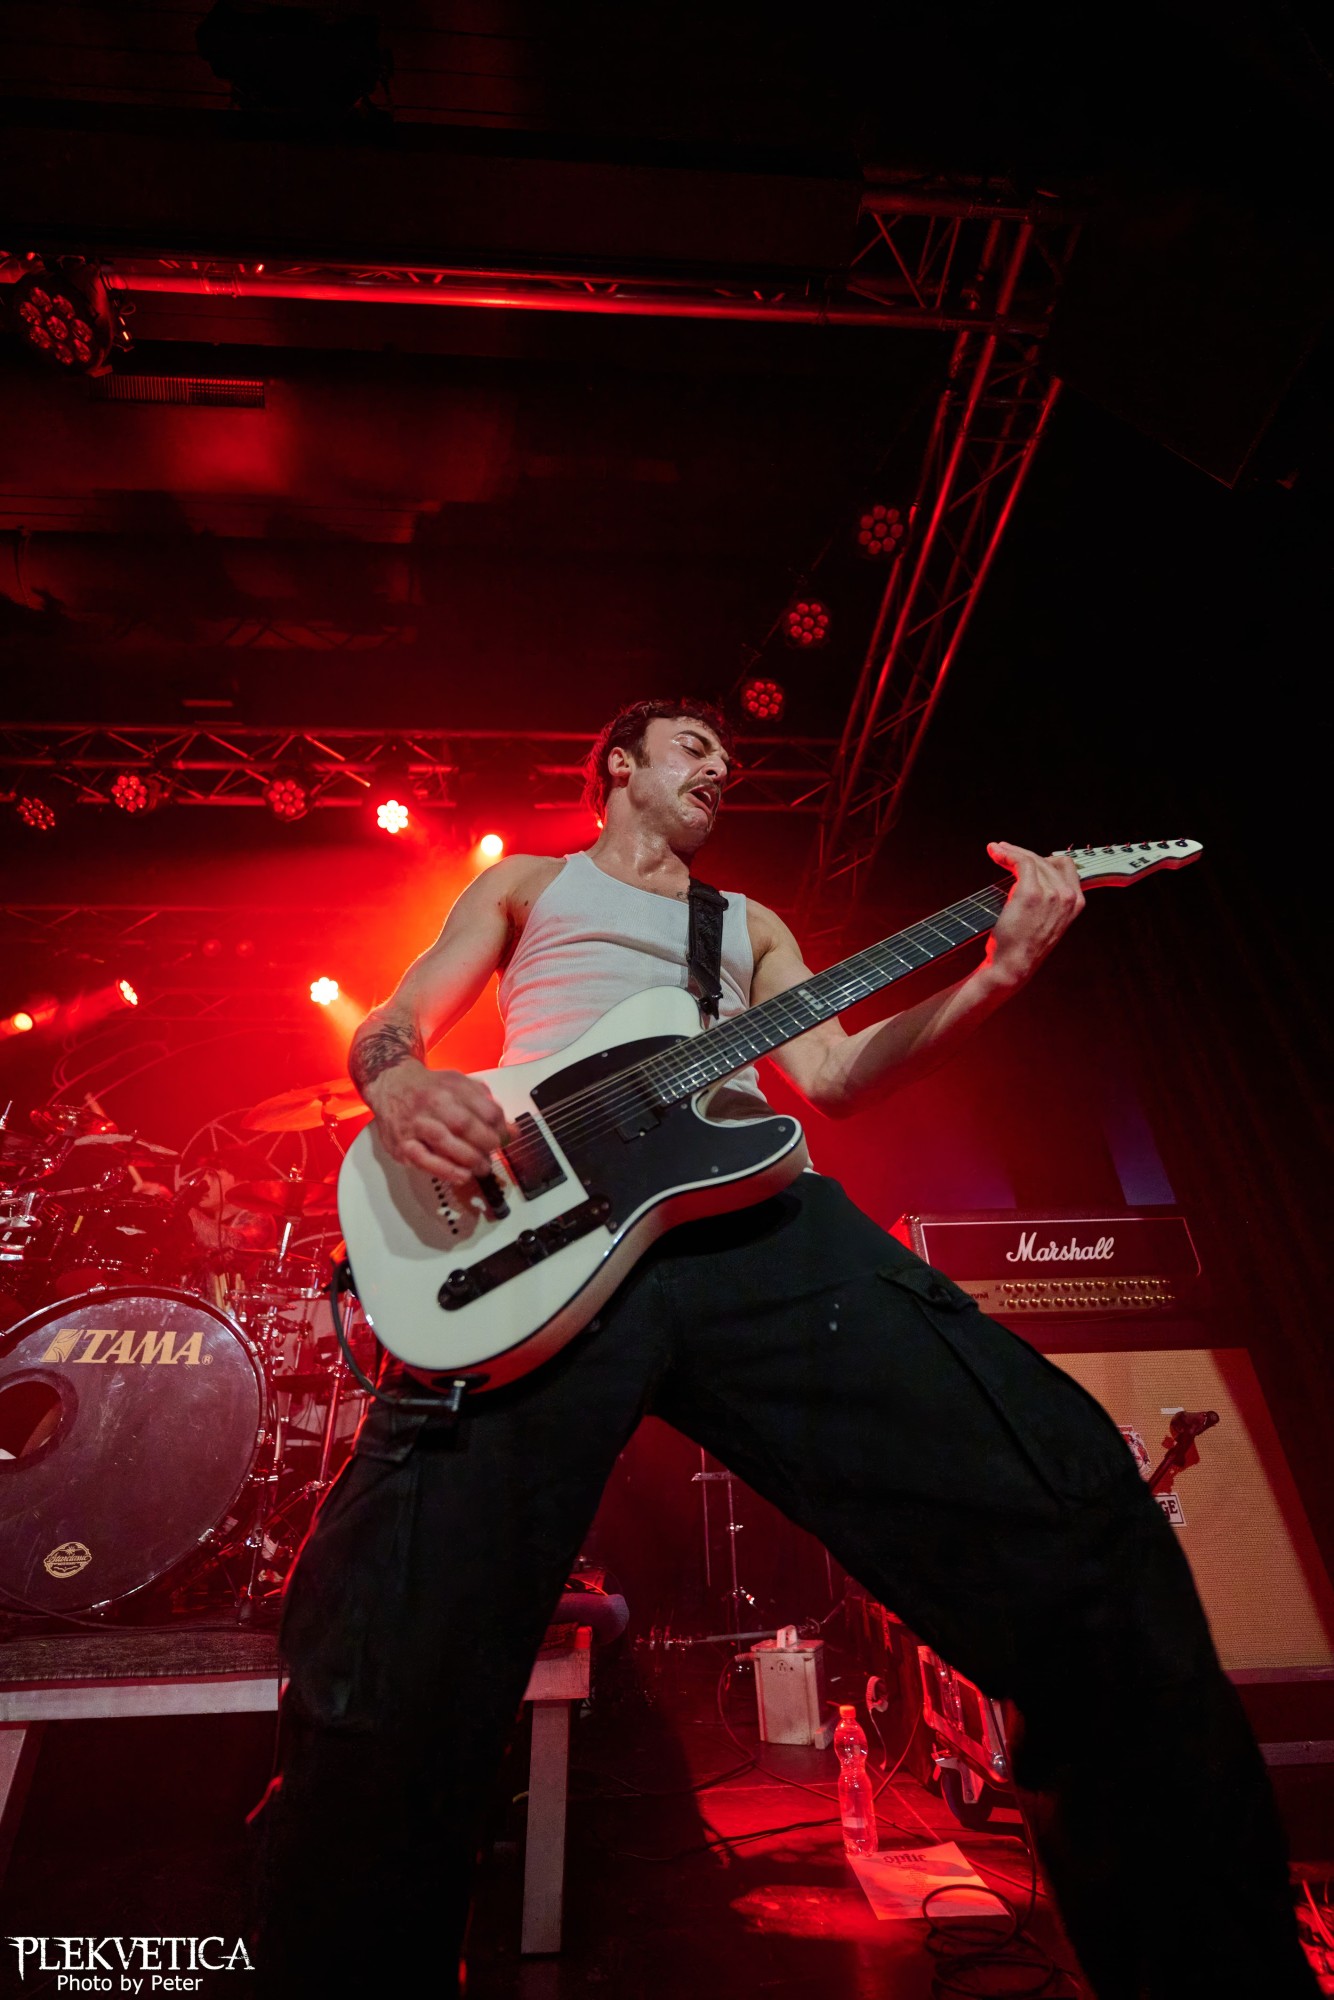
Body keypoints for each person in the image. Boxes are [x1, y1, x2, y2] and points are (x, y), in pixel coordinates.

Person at [255, 698, 1314, 1997]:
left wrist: (996, 975)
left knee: (1078, 1518)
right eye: (691, 746)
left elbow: (840, 1076)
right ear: (618, 767)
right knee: (387, 1659)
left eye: (727, 754)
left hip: (748, 1225)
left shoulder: (748, 926)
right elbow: (396, 1018)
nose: (720, 764)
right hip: (534, 1246)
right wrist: (402, 1081)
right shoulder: (529, 885)